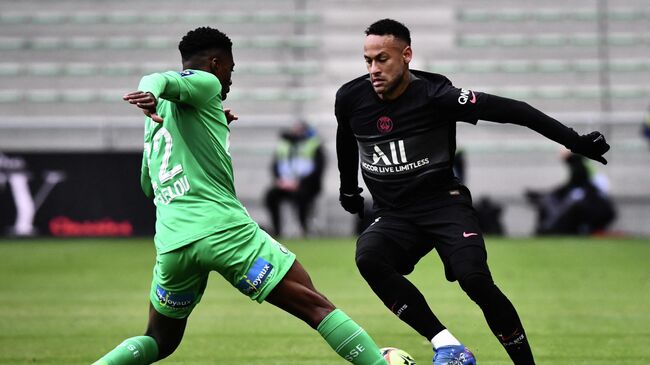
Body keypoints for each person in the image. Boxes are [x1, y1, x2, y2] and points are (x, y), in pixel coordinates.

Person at [92, 27, 389, 365]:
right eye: (230, 70)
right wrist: (147, 90)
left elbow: (149, 184)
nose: (229, 81)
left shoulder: (162, 117)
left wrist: (211, 124)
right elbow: (157, 78)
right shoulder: (206, 84)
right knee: (316, 305)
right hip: (223, 230)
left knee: (159, 339)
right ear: (216, 63)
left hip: (173, 243)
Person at [335, 19, 610, 365]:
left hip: (444, 206)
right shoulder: (350, 98)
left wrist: (575, 142)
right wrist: (348, 189)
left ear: (406, 55)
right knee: (369, 258)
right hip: (394, 214)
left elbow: (515, 111)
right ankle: (446, 344)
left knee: (475, 280)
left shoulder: (436, 96)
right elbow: (345, 138)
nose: (373, 69)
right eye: (368, 60)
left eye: (382, 59)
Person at [526, 150, 616, 235]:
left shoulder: (579, 166)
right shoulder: (583, 165)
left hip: (594, 202)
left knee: (567, 205)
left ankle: (549, 230)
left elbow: (573, 183)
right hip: (594, 199)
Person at [264, 121, 325, 237]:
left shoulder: (314, 144)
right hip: (285, 184)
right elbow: (275, 166)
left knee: (301, 197)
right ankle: (277, 231)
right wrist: (281, 181)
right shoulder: (284, 145)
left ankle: (304, 229)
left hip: (307, 185)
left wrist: (300, 183)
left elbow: (318, 169)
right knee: (270, 196)